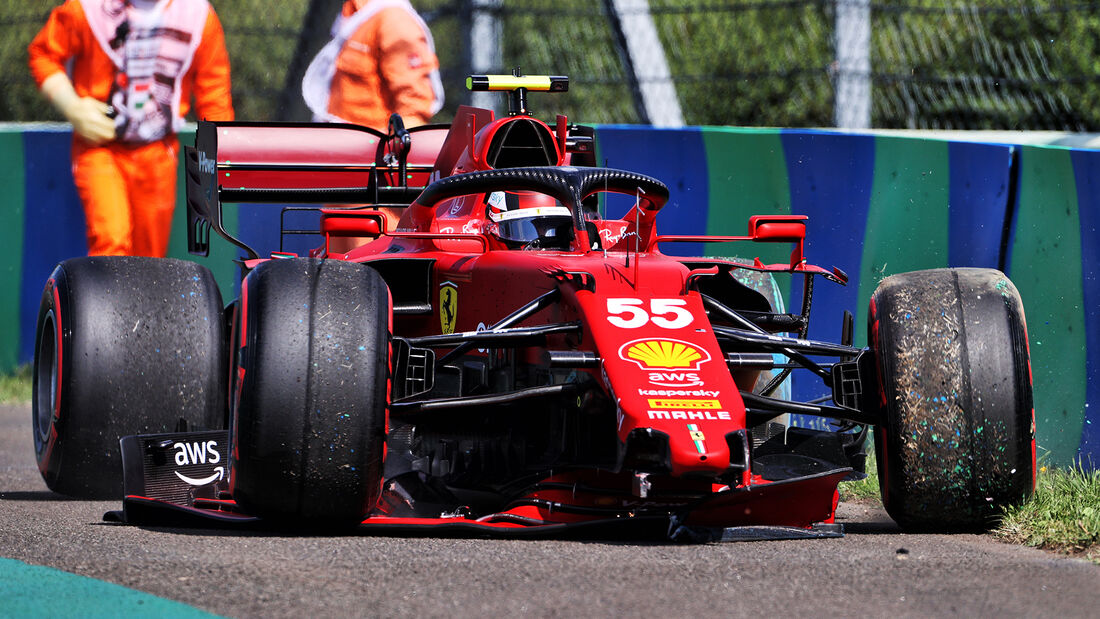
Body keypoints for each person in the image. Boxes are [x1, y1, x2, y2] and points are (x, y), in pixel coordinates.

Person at [28, 0, 234, 257]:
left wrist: (222, 161)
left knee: (150, 259)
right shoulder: (87, 8)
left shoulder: (198, 15)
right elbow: (43, 54)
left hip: (158, 152)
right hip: (99, 148)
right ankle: (105, 297)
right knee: (111, 241)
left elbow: (214, 97)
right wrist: (72, 107)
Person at [302, 0, 443, 131]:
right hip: (337, 145)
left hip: (370, 151)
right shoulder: (353, 10)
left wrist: (386, 153)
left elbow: (414, 112)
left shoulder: (394, 20)